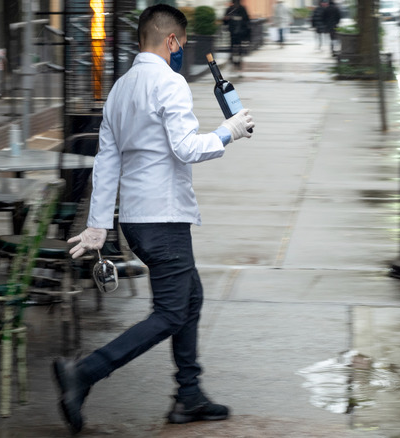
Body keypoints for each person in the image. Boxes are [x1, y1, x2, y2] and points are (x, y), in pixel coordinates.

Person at [53, 4, 255, 435]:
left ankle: (189, 394)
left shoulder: (121, 88)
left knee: (191, 299)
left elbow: (105, 161)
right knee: (169, 312)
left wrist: (98, 225)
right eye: (180, 43)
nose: (180, 50)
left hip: (137, 221)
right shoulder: (171, 83)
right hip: (163, 219)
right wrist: (228, 131)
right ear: (172, 41)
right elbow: (185, 147)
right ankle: (84, 374)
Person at [223, 0, 251, 76]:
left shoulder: (233, 9)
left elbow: (246, 20)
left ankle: (235, 59)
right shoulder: (235, 9)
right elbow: (247, 20)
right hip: (236, 31)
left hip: (237, 31)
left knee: (235, 46)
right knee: (236, 46)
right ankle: (235, 59)